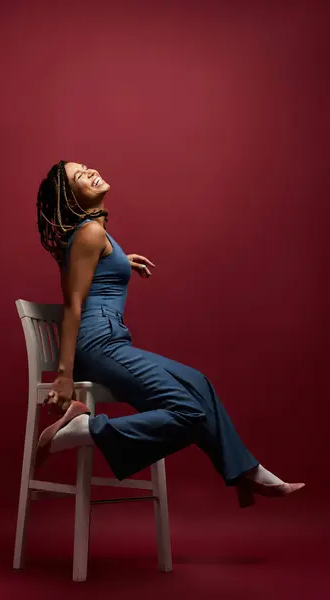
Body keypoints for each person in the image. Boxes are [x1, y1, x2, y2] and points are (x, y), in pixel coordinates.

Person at [35, 159, 305, 508]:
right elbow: (73, 305)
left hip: (108, 340)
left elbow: (91, 268)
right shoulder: (90, 234)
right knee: (189, 413)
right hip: (99, 344)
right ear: (71, 199)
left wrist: (119, 262)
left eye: (84, 166)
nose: (88, 171)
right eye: (77, 177)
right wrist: (63, 376)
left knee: (199, 383)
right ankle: (85, 430)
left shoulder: (95, 235)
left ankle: (245, 470)